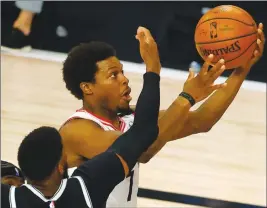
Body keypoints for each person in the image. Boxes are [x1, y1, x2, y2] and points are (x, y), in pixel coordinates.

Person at [59, 23, 264, 207]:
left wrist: (242, 69)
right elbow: (142, 150)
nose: (124, 80)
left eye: (122, 72)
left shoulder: (130, 120)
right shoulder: (78, 130)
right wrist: (182, 93)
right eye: (113, 75)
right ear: (87, 88)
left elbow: (202, 120)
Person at [1, 28, 163, 207]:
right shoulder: (81, 189)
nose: (124, 80)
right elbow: (143, 140)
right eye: (114, 74)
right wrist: (154, 69)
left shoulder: (11, 199)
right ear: (61, 167)